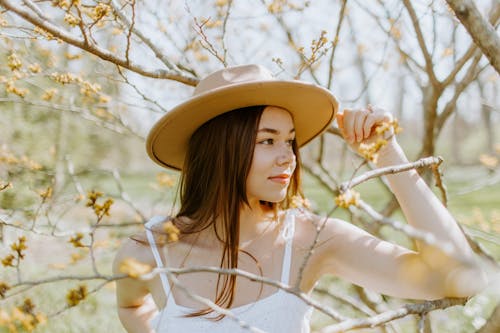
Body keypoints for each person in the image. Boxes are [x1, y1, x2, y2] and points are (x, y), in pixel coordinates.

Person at [113, 64, 489, 333]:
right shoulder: (148, 251)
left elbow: (458, 278)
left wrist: (389, 158)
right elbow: (131, 306)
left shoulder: (312, 239)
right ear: (219, 152)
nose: (288, 157)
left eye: (289, 140)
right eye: (267, 140)